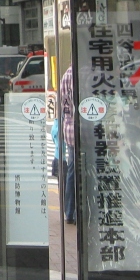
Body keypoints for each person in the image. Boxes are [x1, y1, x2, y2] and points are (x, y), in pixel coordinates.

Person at [57, 65, 76, 224]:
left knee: (72, 170)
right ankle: (73, 212)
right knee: (77, 170)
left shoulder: (66, 75)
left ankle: (69, 211)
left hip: (69, 128)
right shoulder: (80, 73)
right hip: (81, 129)